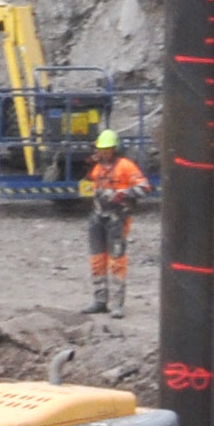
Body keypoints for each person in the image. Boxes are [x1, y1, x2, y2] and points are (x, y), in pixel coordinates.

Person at [85, 128, 150, 316]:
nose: (103, 153)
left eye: (107, 149)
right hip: (98, 216)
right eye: (101, 149)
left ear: (114, 148)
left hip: (117, 218)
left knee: (117, 260)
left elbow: (144, 187)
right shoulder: (97, 167)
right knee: (97, 260)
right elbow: (89, 182)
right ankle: (99, 300)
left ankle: (117, 304)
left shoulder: (126, 166)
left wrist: (122, 194)